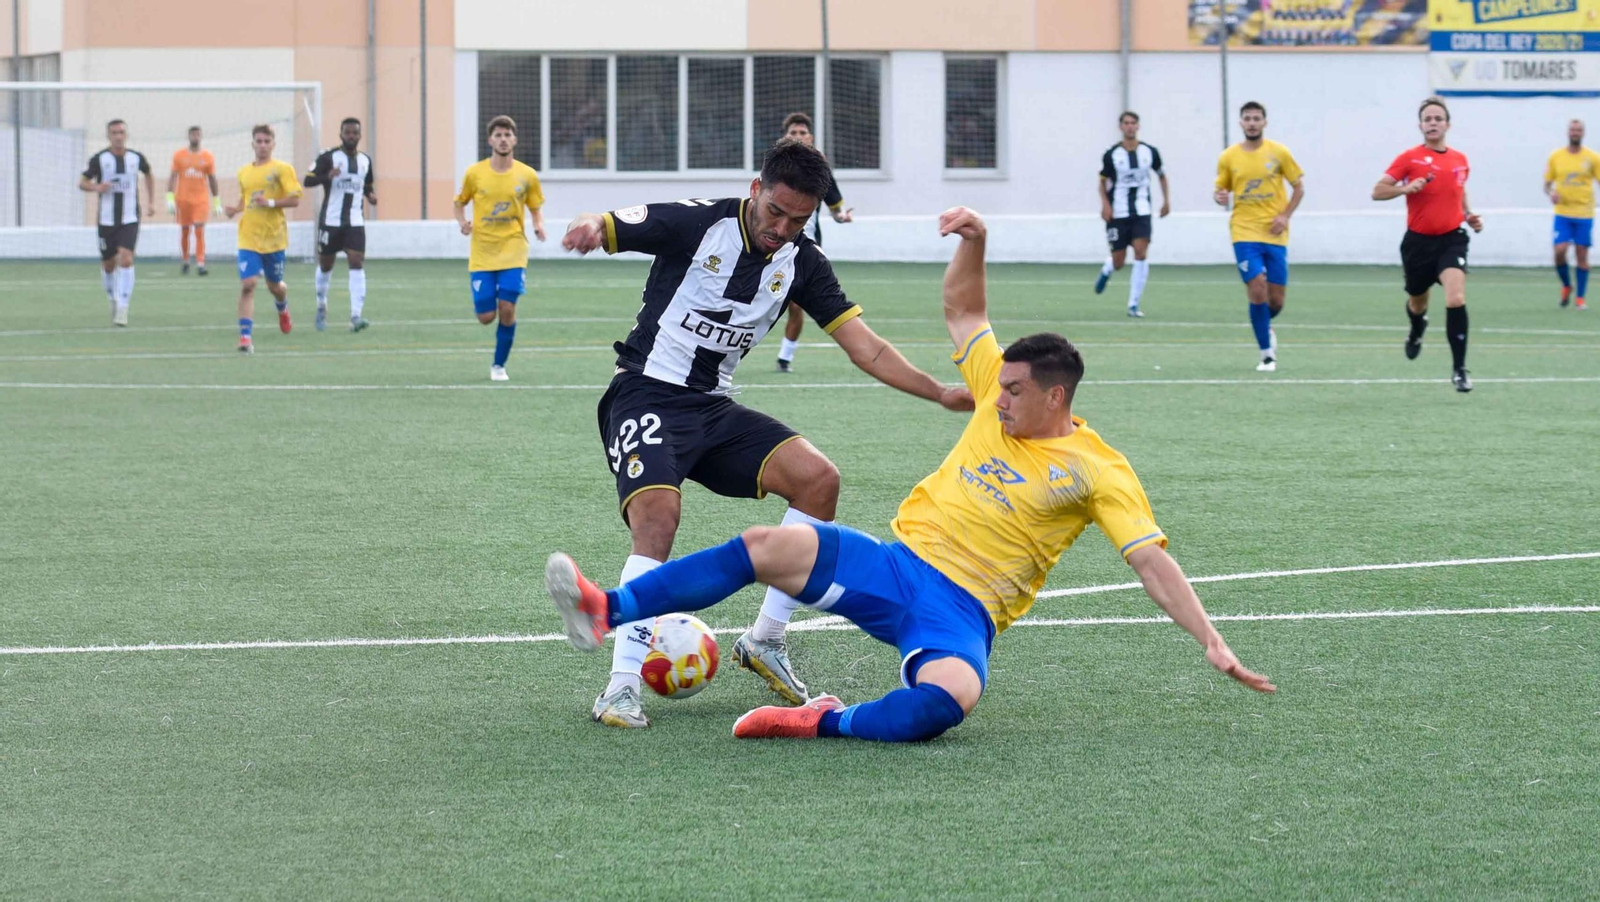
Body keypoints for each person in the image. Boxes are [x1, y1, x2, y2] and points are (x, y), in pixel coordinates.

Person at [547, 206, 1275, 742]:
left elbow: (1150, 562)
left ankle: (821, 722)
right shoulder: (996, 392)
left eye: (1014, 392)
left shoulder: (1099, 470)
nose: (998, 398)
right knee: (767, 545)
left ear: (1056, 398)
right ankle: (608, 608)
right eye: (999, 386)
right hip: (897, 566)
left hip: (964, 612)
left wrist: (1210, 639)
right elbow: (965, 311)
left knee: (950, 698)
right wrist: (976, 240)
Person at [559, 139, 973, 729]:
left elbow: (867, 348)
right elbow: (609, 222)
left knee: (818, 480)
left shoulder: (803, 261)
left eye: (798, 220)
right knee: (658, 517)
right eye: (775, 211)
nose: (782, 229)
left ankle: (765, 639)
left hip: (712, 407)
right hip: (644, 392)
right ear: (756, 190)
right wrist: (587, 226)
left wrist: (940, 392)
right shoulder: (699, 223)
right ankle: (620, 686)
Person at [1372, 96, 1483, 393]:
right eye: (1427, 119)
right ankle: (1417, 327)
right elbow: (1377, 191)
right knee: (1417, 302)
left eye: (1438, 119)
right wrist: (1406, 188)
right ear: (1420, 125)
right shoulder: (1409, 158)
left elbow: (1459, 191)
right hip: (1418, 244)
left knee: (1455, 298)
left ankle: (1459, 369)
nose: (1433, 123)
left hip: (1452, 240)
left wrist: (1469, 215)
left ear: (1448, 124)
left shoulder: (1460, 160)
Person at [1214, 101, 1304, 372]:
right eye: (1247, 118)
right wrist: (1219, 196)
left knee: (1276, 300)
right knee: (1256, 287)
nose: (1252, 123)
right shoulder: (1229, 156)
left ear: (1265, 122)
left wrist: (1285, 216)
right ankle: (1267, 355)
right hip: (1243, 230)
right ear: (1241, 123)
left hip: (1274, 232)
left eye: (1256, 118)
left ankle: (1264, 325)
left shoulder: (1279, 152)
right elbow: (1221, 189)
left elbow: (1299, 187)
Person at [453, 115, 545, 381]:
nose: (503, 139)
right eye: (498, 135)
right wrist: (462, 223)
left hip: (513, 249)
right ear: (490, 140)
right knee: (485, 316)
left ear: (514, 140)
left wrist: (538, 225)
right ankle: (489, 298)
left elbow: (535, 207)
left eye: (507, 135)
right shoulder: (475, 173)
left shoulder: (527, 174)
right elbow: (459, 203)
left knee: (507, 307)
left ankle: (498, 365)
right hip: (482, 251)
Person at [773, 112, 854, 373]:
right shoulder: (774, 166)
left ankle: (785, 357)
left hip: (805, 245)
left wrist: (841, 217)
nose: (798, 137)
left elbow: (835, 206)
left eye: (802, 133)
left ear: (811, 138)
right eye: (793, 133)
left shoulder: (820, 170)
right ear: (785, 137)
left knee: (796, 305)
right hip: (773, 241)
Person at [224, 124, 302, 354]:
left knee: (275, 286)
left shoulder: (282, 169)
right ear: (252, 144)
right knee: (248, 285)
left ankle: (283, 308)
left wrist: (270, 203)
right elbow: (247, 199)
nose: (262, 145)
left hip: (274, 238)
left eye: (267, 141)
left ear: (273, 144)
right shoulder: (243, 172)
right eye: (258, 141)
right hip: (248, 237)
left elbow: (295, 199)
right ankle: (245, 338)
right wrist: (236, 209)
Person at [304, 117, 378, 332]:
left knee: (356, 261)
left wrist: (371, 196)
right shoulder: (328, 157)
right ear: (341, 134)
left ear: (360, 135)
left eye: (355, 133)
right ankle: (321, 305)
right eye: (347, 133)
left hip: (355, 221)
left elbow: (367, 185)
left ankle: (356, 316)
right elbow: (308, 180)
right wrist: (327, 176)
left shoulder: (365, 160)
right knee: (326, 265)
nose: (351, 136)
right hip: (331, 221)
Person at [78, 119, 153, 327]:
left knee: (126, 258)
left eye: (121, 132)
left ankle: (123, 307)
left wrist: (151, 201)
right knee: (109, 264)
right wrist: (97, 188)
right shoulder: (99, 159)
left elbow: (148, 173)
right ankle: (113, 299)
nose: (118, 136)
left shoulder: (136, 158)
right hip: (106, 220)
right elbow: (82, 182)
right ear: (108, 136)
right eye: (114, 133)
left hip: (130, 218)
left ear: (126, 135)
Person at [1094, 111, 1170, 318]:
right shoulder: (1112, 154)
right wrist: (1105, 205)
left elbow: (1162, 176)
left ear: (1138, 126)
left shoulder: (1149, 152)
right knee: (1119, 261)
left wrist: (1166, 201)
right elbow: (1102, 182)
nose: (1130, 126)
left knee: (1141, 253)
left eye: (1133, 123)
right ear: (1121, 127)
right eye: (1126, 123)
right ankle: (1108, 268)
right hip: (1118, 213)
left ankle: (1133, 304)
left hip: (1142, 211)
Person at [1543, 119, 1600, 310]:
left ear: (1583, 133)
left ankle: (1580, 298)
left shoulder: (1592, 158)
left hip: (1584, 213)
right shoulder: (1556, 156)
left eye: (1579, 130)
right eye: (1573, 130)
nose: (1575, 133)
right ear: (1568, 132)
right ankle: (1567, 285)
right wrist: (1551, 193)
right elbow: (1547, 184)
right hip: (1563, 213)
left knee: (1581, 255)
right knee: (1559, 251)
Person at [166, 126, 220, 276]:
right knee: (185, 230)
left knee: (199, 229)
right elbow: (173, 176)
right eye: (192, 134)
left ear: (201, 137)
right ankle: (185, 261)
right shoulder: (179, 155)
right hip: (182, 199)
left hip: (200, 200)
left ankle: (201, 263)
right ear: (188, 136)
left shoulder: (208, 156)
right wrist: (169, 197)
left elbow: (212, 179)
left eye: (197, 134)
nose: (195, 137)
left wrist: (216, 200)